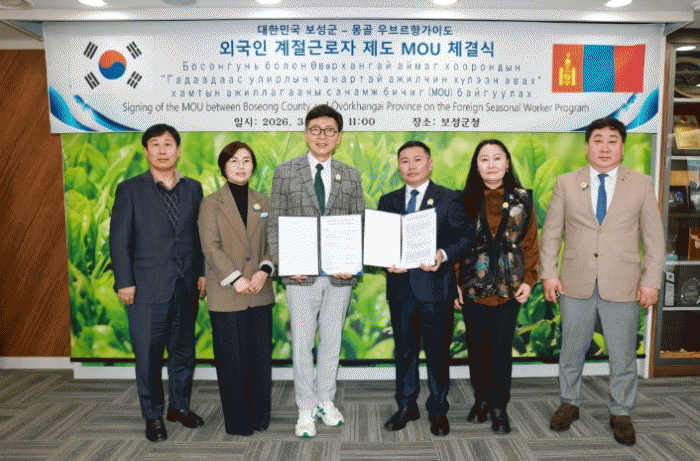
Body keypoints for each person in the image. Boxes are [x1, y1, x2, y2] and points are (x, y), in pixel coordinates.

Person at [540, 117, 664, 446]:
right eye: (598, 140)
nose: (605, 147)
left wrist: (651, 280)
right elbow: (551, 234)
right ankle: (569, 402)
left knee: (622, 353)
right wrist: (549, 273)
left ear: (622, 148)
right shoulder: (566, 183)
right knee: (571, 349)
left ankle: (621, 411)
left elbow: (654, 239)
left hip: (623, 283)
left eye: (612, 141)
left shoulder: (641, 184)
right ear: (587, 147)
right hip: (574, 282)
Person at [267, 104, 365, 438]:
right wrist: (285, 264)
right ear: (306, 133)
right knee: (302, 343)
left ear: (339, 137)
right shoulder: (285, 172)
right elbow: (275, 223)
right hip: (300, 275)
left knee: (332, 342)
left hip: (339, 275)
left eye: (329, 131)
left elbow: (358, 222)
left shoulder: (350, 174)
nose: (322, 136)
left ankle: (326, 400)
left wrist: (352, 263)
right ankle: (305, 407)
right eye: (315, 129)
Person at [109, 124, 206, 442]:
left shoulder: (193, 188)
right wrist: (124, 281)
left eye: (168, 144)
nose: (162, 150)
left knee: (183, 351)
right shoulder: (129, 189)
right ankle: (153, 416)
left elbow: (199, 235)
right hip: (146, 287)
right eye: (155, 144)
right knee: (148, 356)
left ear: (178, 150)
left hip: (186, 284)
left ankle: (179, 407)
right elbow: (119, 239)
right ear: (146, 150)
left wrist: (202, 272)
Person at [378, 141, 472, 437]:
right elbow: (380, 244)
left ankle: (438, 409)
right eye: (404, 160)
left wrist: (443, 254)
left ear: (430, 164)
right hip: (401, 290)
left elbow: (466, 237)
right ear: (398, 166)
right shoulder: (388, 201)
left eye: (417, 159)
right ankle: (406, 405)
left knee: (437, 352)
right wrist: (385, 263)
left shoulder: (450, 198)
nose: (411, 166)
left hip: (436, 289)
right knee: (404, 350)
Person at [453, 139, 539, 434]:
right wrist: (455, 284)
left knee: (501, 348)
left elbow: (530, 242)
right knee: (476, 347)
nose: (491, 164)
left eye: (497, 158)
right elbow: (455, 245)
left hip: (509, 286)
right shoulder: (463, 200)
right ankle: (481, 400)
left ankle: (499, 406)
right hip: (472, 286)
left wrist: (530, 279)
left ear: (507, 163)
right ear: (476, 166)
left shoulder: (523, 199)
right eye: (484, 159)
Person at [198, 141, 275, 436]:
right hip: (227, 292)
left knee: (260, 359)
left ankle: (260, 417)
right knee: (231, 360)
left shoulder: (264, 202)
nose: (240, 166)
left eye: (246, 160)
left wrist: (264, 270)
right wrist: (235, 277)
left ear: (253, 166)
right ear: (223, 167)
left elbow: (273, 243)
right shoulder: (210, 203)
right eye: (233, 161)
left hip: (259, 290)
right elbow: (210, 247)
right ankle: (238, 422)